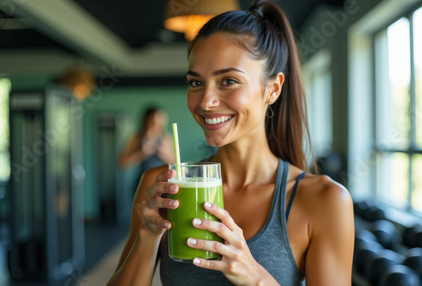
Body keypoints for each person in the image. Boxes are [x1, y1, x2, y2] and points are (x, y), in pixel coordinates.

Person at [108, 0, 354, 285]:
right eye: (196, 82)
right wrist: (149, 235)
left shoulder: (324, 201)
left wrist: (256, 277)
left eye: (228, 81)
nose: (206, 102)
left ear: (272, 89)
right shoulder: (161, 185)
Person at [119, 107, 175, 184]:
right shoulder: (137, 138)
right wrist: (142, 153)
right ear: (146, 121)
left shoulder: (166, 139)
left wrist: (164, 154)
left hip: (163, 181)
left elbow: (176, 165)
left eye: (159, 124)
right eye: (153, 123)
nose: (156, 127)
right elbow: (122, 163)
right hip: (142, 181)